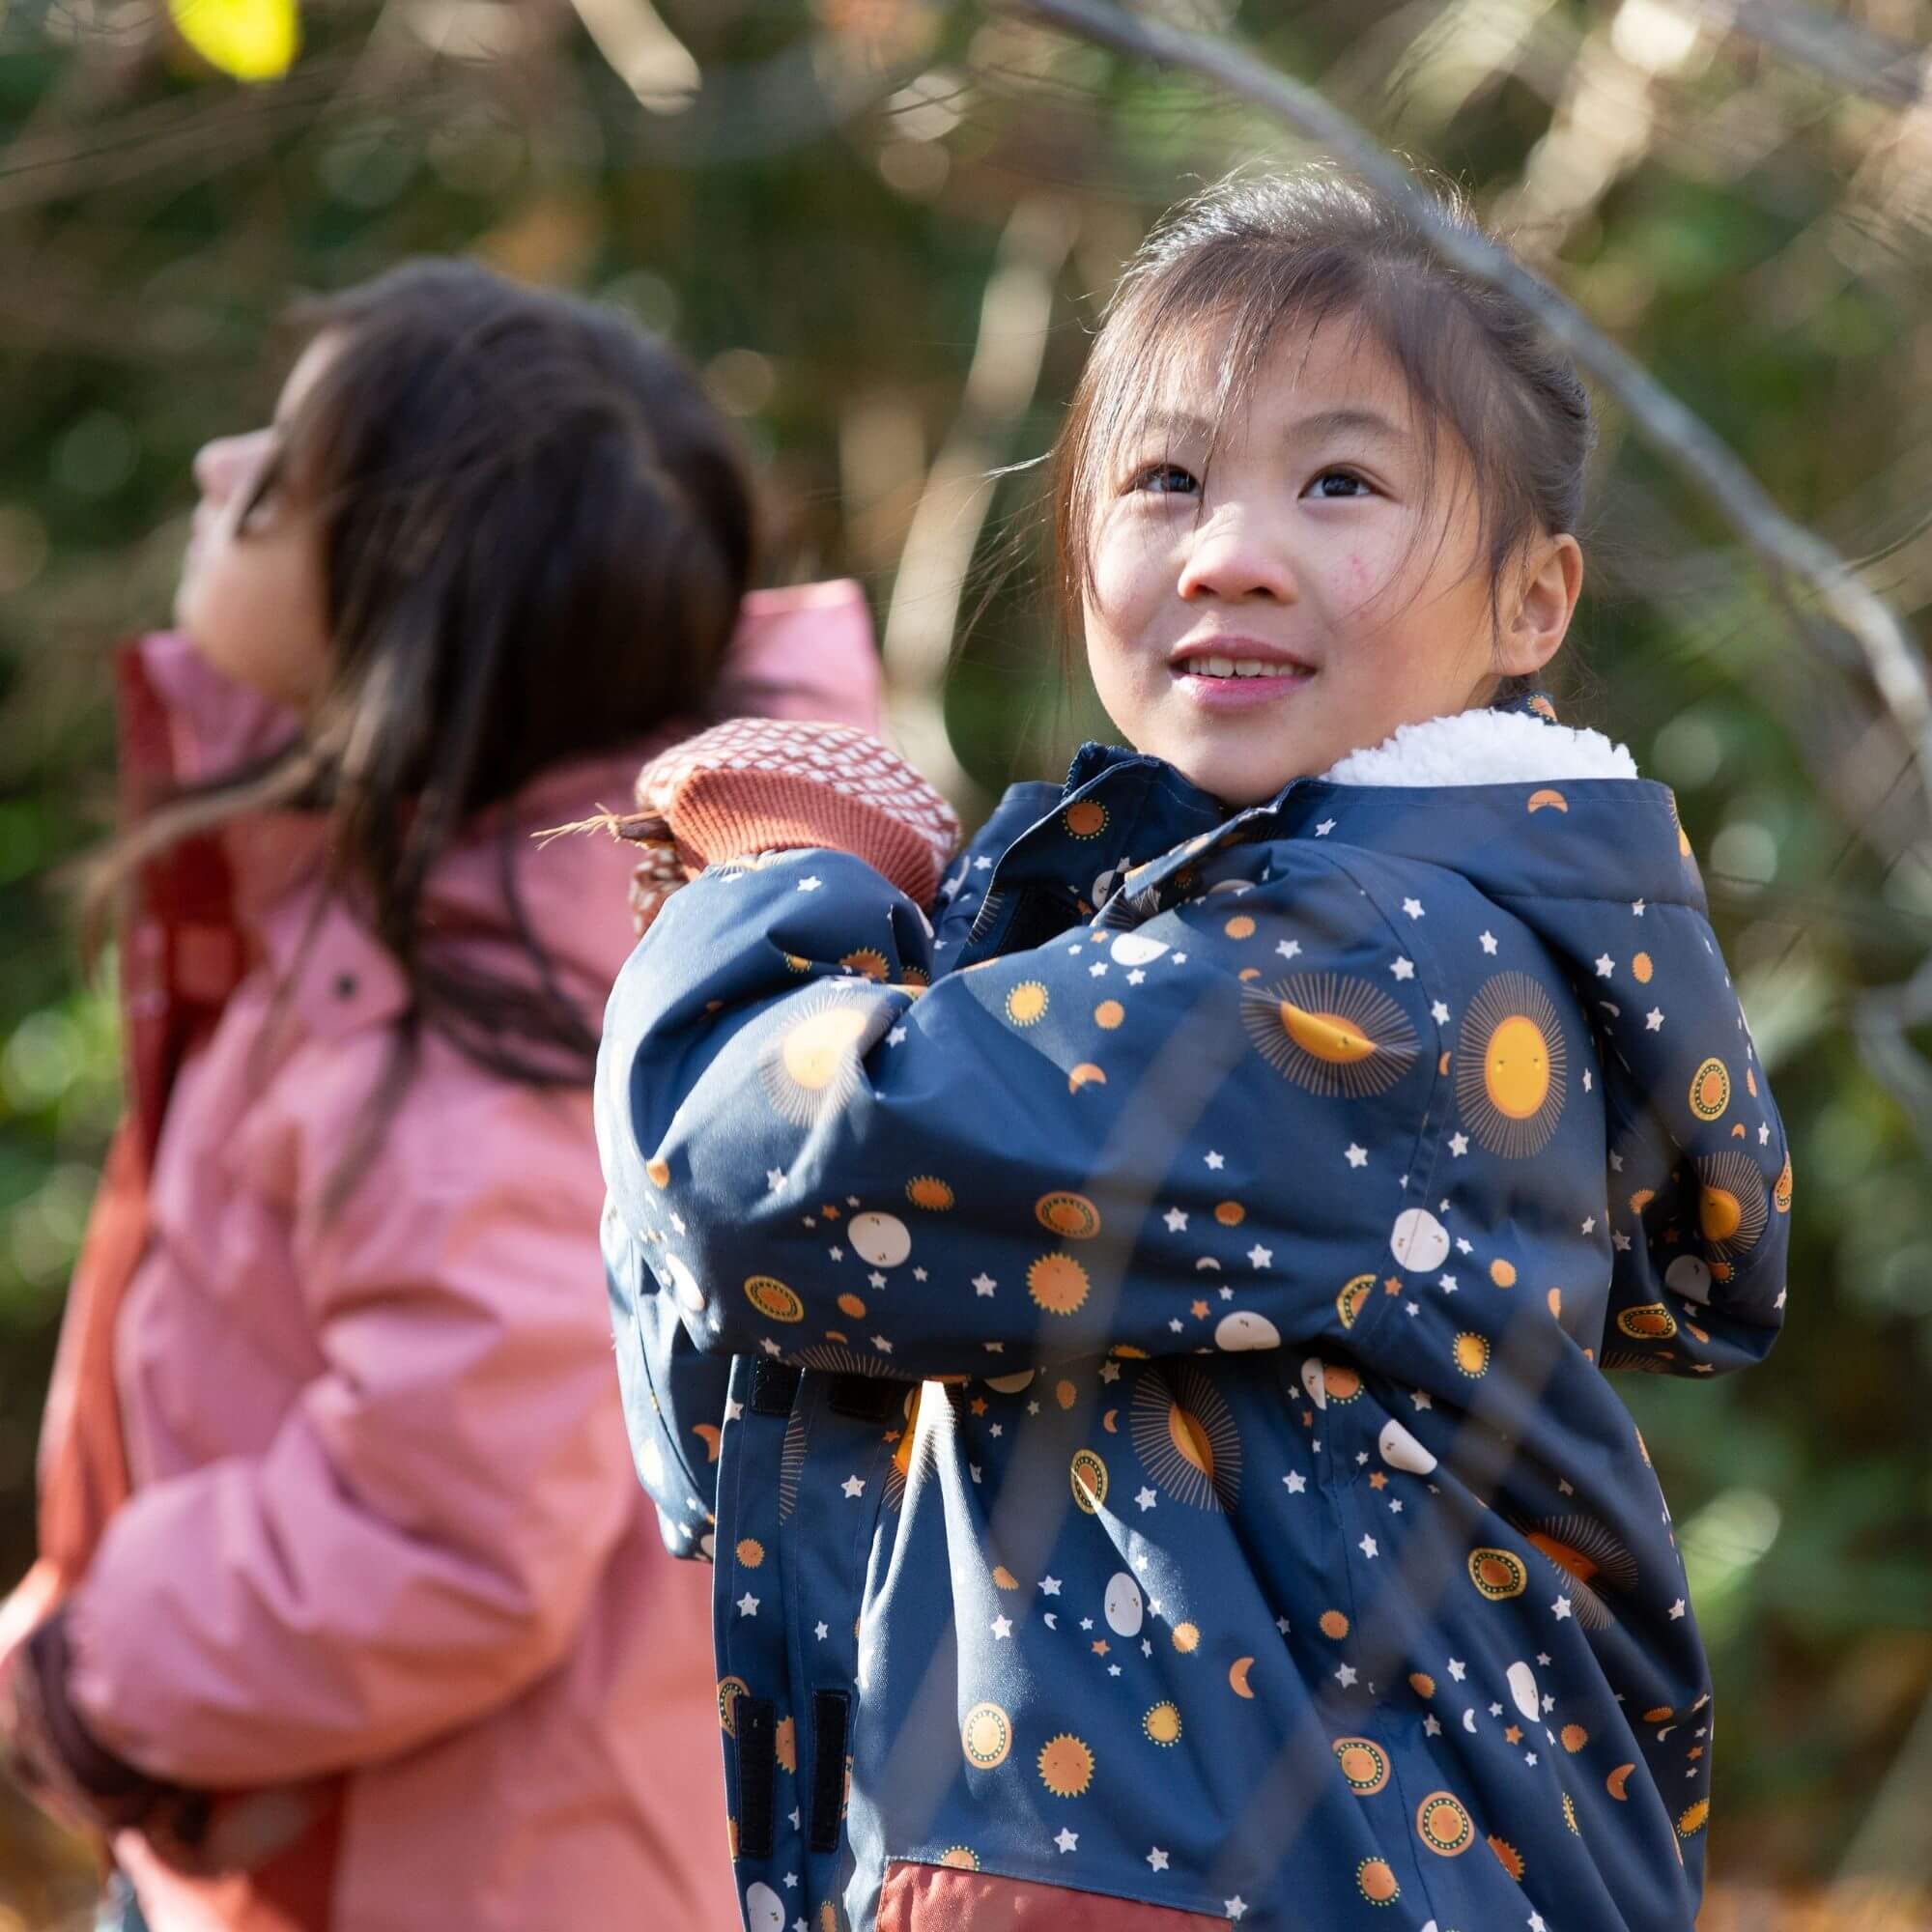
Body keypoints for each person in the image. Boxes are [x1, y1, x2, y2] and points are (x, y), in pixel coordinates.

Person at [594, 168, 1792, 1932]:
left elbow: (764, 1191)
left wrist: (771, 892)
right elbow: (734, 1404)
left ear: (1534, 604)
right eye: (1163, 480)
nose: (1230, 549)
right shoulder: (1168, 940)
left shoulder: (1372, 973)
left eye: (1342, 482)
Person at [0, 258, 883, 1932]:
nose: (212, 467)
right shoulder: (430, 917)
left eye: (273, 480)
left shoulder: (498, 1016)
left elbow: (453, 1526)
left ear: (402, 601)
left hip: (447, 1872)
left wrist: (88, 1676)